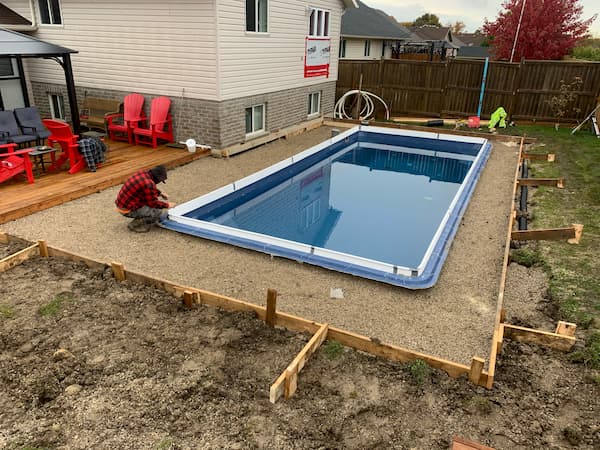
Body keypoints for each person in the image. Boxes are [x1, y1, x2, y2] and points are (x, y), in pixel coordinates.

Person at [115, 165, 176, 232]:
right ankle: (135, 225)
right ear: (157, 178)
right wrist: (168, 205)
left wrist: (160, 193)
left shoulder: (142, 173)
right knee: (157, 211)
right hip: (126, 210)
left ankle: (140, 219)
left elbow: (146, 189)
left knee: (150, 204)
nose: (159, 182)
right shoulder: (149, 184)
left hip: (121, 204)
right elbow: (153, 203)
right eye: (160, 180)